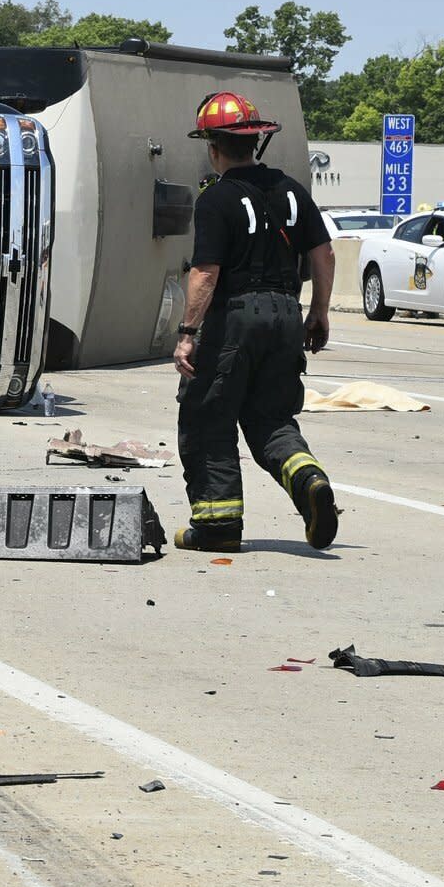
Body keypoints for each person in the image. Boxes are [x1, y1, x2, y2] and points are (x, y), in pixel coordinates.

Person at [172, 91, 337, 553]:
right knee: (271, 420)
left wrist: (187, 334)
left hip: (235, 320)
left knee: (208, 416)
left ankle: (218, 525)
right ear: (256, 143)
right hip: (286, 316)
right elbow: (323, 254)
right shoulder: (291, 190)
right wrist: (318, 312)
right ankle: (309, 480)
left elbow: (206, 273)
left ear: (213, 146)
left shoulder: (216, 199)